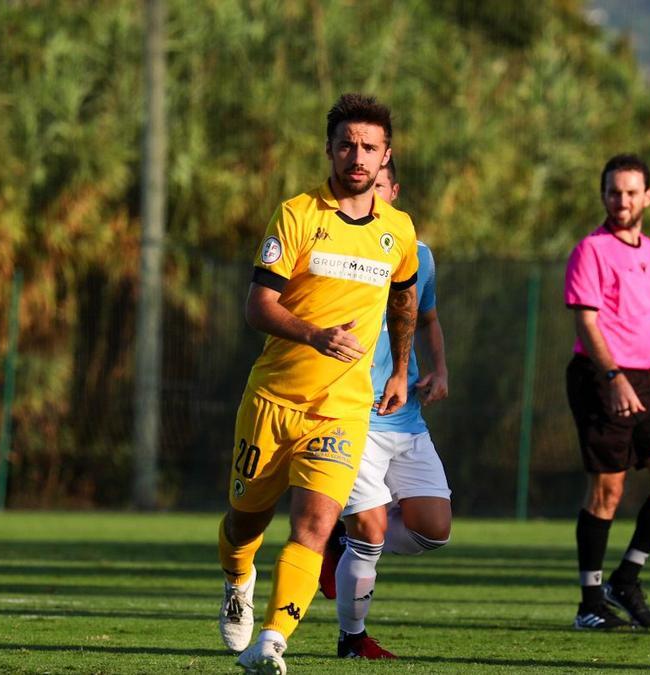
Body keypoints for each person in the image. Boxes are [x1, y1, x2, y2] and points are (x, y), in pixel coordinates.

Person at [218, 93, 420, 674]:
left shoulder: (399, 231)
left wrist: (402, 369)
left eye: (370, 147)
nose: (358, 156)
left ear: (386, 157)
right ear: (330, 150)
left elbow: (405, 299)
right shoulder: (298, 214)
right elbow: (258, 307)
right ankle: (237, 578)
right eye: (348, 144)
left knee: (314, 524)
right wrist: (313, 334)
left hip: (343, 409)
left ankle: (274, 641)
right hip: (274, 400)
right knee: (245, 520)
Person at [320, 158, 452, 659]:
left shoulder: (418, 255)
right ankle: (352, 639)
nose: (372, 194)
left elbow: (429, 318)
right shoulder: (333, 247)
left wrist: (439, 368)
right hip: (350, 414)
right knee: (372, 531)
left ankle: (339, 534)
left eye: (381, 186)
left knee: (433, 531)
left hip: (405, 416)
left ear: (393, 191)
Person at [564, 154, 650, 631]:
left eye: (632, 192)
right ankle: (589, 602)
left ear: (648, 197)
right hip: (602, 378)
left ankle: (627, 577)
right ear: (603, 196)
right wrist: (613, 376)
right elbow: (586, 318)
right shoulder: (591, 249)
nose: (622, 200)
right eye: (614, 192)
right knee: (608, 490)